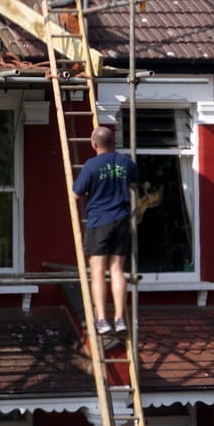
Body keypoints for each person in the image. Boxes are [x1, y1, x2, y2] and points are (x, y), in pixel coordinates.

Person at [72, 126, 138, 336]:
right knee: (117, 269)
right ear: (113, 143)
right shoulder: (126, 163)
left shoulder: (91, 166)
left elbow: (76, 194)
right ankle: (119, 318)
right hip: (122, 220)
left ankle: (102, 319)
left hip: (99, 221)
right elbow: (135, 183)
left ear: (94, 144)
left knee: (98, 271)